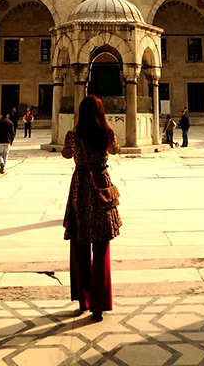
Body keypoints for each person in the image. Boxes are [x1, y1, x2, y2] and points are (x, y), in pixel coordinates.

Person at [62, 95, 121, 323]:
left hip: (80, 188)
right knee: (101, 247)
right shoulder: (107, 133)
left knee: (80, 245)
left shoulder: (74, 136)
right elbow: (116, 150)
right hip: (101, 188)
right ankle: (99, 303)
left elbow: (66, 154)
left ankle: (83, 301)